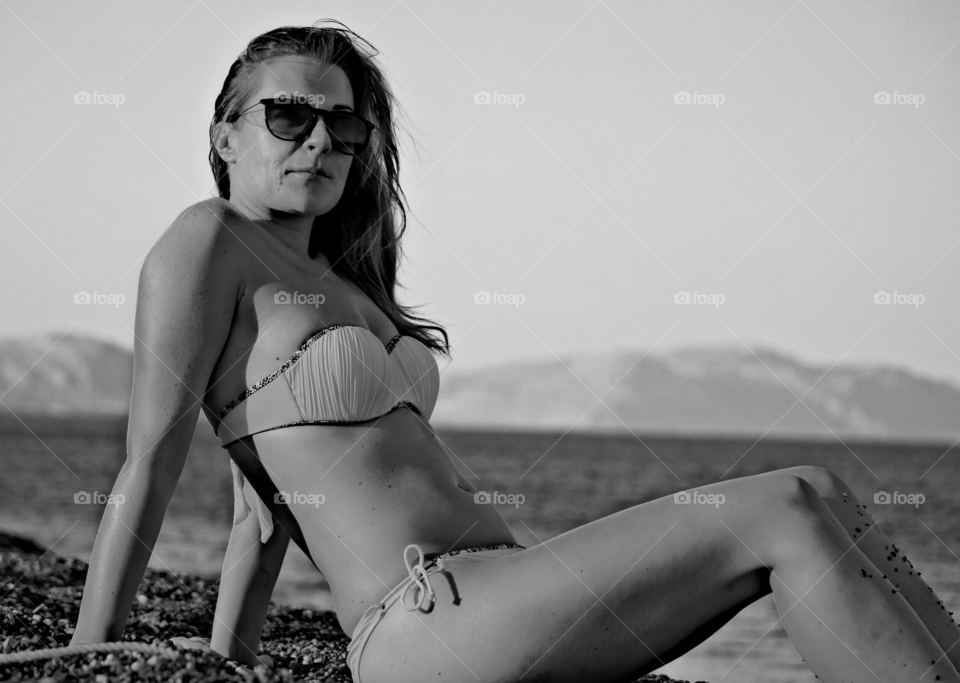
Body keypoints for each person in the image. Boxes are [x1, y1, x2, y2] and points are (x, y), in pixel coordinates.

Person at [71, 20, 960, 683]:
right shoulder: (209, 238)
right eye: (290, 115)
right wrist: (90, 657)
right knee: (788, 500)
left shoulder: (343, 283)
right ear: (226, 133)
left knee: (828, 496)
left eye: (344, 128)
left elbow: (258, 517)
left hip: (501, 592)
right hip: (425, 623)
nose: (320, 141)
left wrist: (229, 661)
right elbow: (149, 462)